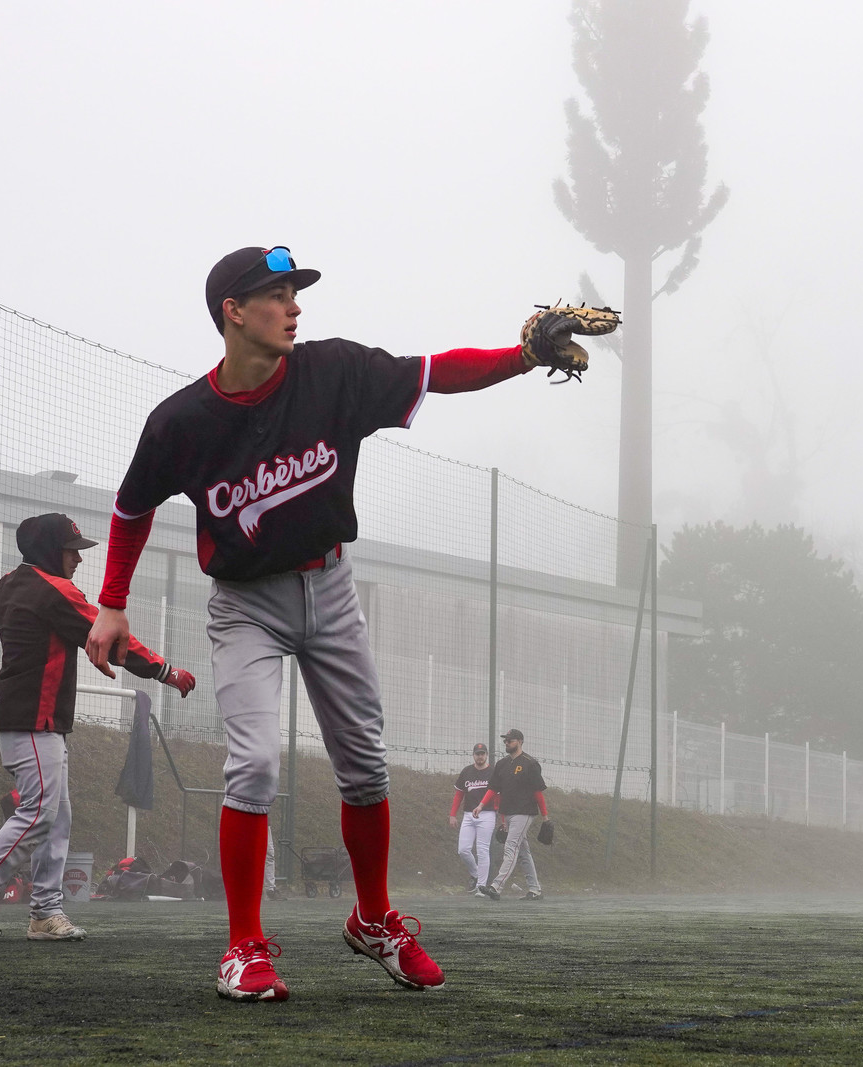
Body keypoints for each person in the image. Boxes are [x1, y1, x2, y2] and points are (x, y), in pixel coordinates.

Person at [85, 245, 599, 1001]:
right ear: (232, 310)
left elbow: (437, 371)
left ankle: (373, 919)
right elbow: (132, 506)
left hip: (330, 588)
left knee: (365, 764)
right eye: (276, 294)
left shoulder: (334, 372)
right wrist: (112, 600)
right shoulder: (183, 421)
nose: (294, 306)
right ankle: (243, 947)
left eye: (295, 293)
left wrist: (522, 357)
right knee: (254, 764)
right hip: (246, 606)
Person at [0, 513, 195, 942]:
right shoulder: (57, 592)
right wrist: (165, 671)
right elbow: (110, 637)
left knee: (57, 817)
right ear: (51, 550)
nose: (78, 558)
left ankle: (46, 913)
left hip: (33, 721)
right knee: (39, 813)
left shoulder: (13, 583)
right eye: (73, 549)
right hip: (34, 720)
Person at [476, 728, 550, 901]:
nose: (507, 743)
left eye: (510, 740)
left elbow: (538, 792)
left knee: (510, 847)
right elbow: (494, 789)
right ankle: (535, 889)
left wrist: (545, 816)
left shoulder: (530, 763)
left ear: (520, 741)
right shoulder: (502, 765)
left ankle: (496, 886)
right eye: (506, 740)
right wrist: (481, 806)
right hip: (508, 813)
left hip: (524, 812)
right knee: (523, 851)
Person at [449, 742, 497, 894]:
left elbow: (497, 796)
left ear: (486, 755)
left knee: (482, 850)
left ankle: (481, 887)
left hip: (487, 814)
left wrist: (501, 817)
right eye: (477, 753)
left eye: (482, 753)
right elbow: (459, 795)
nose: (480, 756)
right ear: (473, 755)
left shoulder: (492, 772)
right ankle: (476, 875)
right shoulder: (467, 771)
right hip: (469, 815)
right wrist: (452, 814)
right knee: (463, 850)